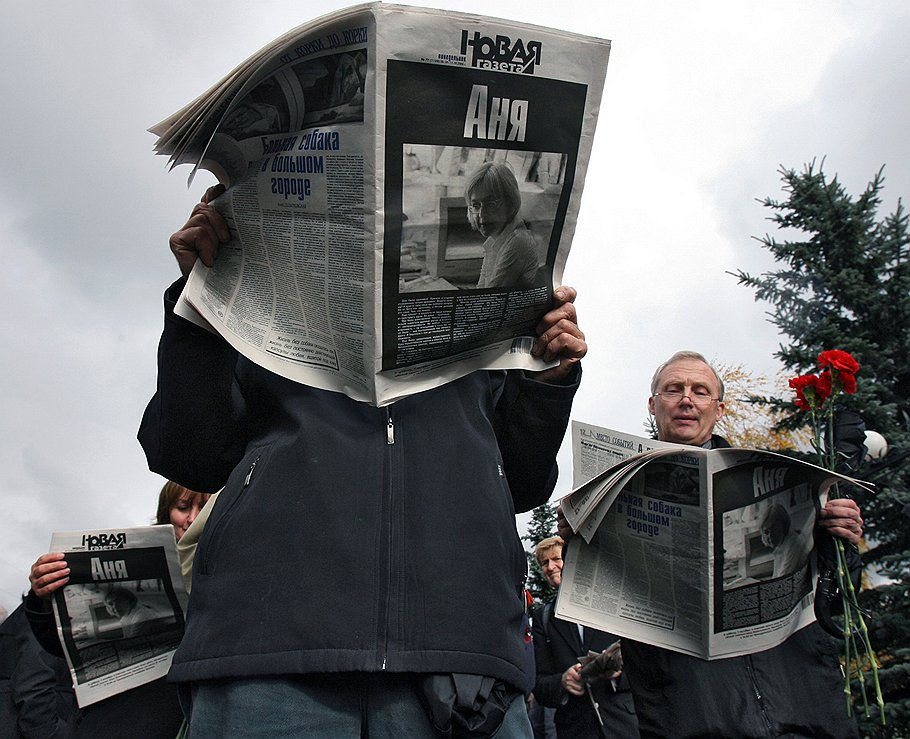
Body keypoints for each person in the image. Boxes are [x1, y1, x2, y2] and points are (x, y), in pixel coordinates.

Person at [136, 184, 587, 736]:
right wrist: (196, 300)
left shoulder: (482, 323)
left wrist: (550, 381)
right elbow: (188, 454)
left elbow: (521, 482)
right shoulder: (262, 308)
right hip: (268, 653)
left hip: (462, 664)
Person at [618, 350, 865, 738]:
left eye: (700, 391)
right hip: (694, 712)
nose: (686, 399)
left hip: (802, 705)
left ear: (718, 410)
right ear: (653, 405)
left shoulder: (780, 474)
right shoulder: (618, 489)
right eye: (673, 389)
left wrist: (841, 539)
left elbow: (832, 602)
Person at [23, 480, 207, 738]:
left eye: (204, 507)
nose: (192, 519)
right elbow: (62, 647)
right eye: (183, 507)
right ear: (167, 511)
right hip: (118, 712)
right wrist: (42, 594)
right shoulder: (133, 560)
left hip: (183, 710)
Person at [532, 536, 638, 738]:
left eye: (556, 559)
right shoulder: (543, 618)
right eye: (544, 563)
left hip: (624, 727)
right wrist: (563, 682)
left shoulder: (611, 601)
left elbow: (647, 665)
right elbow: (538, 683)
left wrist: (619, 674)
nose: (551, 567)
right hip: (575, 729)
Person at [465, 161, 542, 289]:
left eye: (491, 204)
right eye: (476, 205)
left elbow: (490, 299)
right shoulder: (494, 240)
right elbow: (481, 290)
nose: (482, 215)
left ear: (510, 202)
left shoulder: (517, 242)